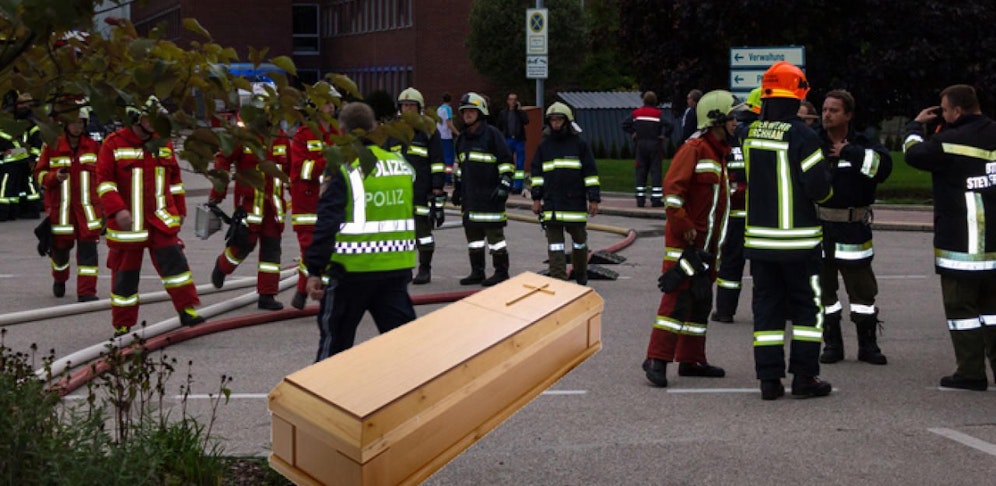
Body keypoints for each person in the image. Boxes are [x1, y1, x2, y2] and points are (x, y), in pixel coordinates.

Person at [743, 61, 834, 400]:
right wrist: (828, 191)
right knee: (807, 310)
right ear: (796, 95)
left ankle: (769, 381)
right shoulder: (803, 136)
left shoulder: (749, 132)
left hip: (760, 242)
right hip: (799, 243)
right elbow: (818, 188)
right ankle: (804, 377)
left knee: (767, 310)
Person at [641, 90, 744, 387]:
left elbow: (720, 200)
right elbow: (672, 193)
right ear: (717, 120)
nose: (736, 122)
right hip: (686, 246)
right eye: (732, 117)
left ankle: (692, 360)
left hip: (709, 247)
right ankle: (656, 360)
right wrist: (684, 226)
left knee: (700, 300)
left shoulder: (720, 154)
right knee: (676, 301)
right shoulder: (694, 149)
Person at [304, 102, 417, 361]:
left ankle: (325, 399)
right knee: (408, 351)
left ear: (342, 131)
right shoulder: (399, 165)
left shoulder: (344, 167)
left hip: (350, 273)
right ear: (374, 128)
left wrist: (315, 270)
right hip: (395, 271)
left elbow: (327, 223)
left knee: (334, 351)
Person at [904, 84, 996, 391]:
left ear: (957, 111)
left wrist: (916, 125)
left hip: (962, 244)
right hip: (994, 244)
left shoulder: (948, 141)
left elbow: (913, 153)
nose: (942, 114)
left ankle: (970, 373)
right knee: (993, 313)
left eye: (944, 110)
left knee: (962, 309)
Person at [96, 96, 204, 335]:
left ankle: (187, 310)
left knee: (176, 267)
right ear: (136, 118)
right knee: (125, 276)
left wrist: (180, 210)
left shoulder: (161, 144)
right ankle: (123, 324)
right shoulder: (113, 144)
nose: (155, 124)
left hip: (160, 220)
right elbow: (104, 182)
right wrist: (117, 210)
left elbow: (174, 180)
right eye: (149, 119)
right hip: (128, 225)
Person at [816, 89, 892, 366]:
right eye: (825, 109)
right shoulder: (813, 143)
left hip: (853, 229)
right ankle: (832, 344)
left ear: (848, 115)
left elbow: (883, 169)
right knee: (824, 293)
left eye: (834, 110)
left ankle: (868, 345)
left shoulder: (864, 144)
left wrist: (849, 151)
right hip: (820, 228)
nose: (827, 114)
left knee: (862, 293)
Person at [208, 115, 290, 310]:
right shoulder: (243, 136)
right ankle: (222, 266)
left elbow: (290, 169)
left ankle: (267, 295)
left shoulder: (280, 137)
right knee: (244, 244)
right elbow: (223, 160)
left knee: (272, 250)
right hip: (249, 205)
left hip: (273, 207)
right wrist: (217, 192)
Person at [33, 102, 103, 301]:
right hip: (61, 213)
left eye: (80, 123)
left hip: (88, 212)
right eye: (73, 122)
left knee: (88, 252)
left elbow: (104, 176)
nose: (77, 126)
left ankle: (87, 292)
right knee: (61, 253)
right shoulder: (53, 146)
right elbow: (39, 174)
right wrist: (54, 177)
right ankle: (60, 278)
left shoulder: (93, 147)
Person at [530, 102, 600, 284]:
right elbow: (537, 174)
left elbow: (590, 173)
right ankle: (559, 281)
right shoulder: (544, 146)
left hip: (574, 203)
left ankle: (580, 272)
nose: (555, 123)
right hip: (552, 204)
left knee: (579, 242)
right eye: (552, 120)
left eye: (559, 119)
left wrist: (593, 199)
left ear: (567, 121)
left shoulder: (579, 145)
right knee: (555, 246)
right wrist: (536, 199)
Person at [451, 92, 515, 287]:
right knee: (474, 240)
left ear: (481, 112)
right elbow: (460, 166)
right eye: (465, 111)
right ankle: (477, 271)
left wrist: (504, 185)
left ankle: (501, 272)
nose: (468, 114)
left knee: (496, 239)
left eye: (472, 111)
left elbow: (506, 162)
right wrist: (457, 188)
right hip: (470, 198)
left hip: (491, 197)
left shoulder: (492, 135)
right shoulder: (462, 138)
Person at [385, 87, 445, 285]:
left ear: (419, 108)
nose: (408, 109)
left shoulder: (428, 131)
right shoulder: (392, 131)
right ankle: (402, 270)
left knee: (423, 234)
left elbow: (437, 162)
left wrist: (437, 189)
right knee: (399, 234)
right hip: (396, 193)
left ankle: (424, 269)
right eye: (404, 105)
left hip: (421, 191)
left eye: (411, 105)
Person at [712, 87, 762, 324]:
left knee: (730, 264)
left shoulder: (732, 136)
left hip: (734, 213)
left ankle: (724, 311)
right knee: (764, 267)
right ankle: (767, 312)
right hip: (762, 215)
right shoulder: (763, 135)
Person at [289, 81, 340, 309]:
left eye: (332, 103)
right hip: (307, 202)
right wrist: (326, 161)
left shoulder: (338, 133)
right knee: (309, 249)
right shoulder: (303, 135)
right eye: (327, 102)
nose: (331, 107)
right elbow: (301, 169)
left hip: (331, 202)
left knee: (331, 248)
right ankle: (304, 290)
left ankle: (314, 290)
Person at [0, 92, 44, 221]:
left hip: (17, 158)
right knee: (20, 186)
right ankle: (18, 210)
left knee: (8, 186)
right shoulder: (18, 119)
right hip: (18, 157)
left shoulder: (30, 122)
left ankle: (6, 212)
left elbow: (34, 143)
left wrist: (32, 158)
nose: (21, 107)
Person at [621, 91, 669, 207]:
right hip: (654, 144)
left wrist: (633, 133)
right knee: (655, 171)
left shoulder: (637, 113)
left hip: (640, 144)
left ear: (644, 100)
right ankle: (656, 199)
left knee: (641, 171)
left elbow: (624, 124)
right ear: (655, 101)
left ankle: (640, 199)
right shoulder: (658, 114)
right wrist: (664, 135)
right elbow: (670, 125)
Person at [496, 92, 530, 194]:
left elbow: (526, 121)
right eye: (511, 99)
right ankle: (508, 183)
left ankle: (518, 185)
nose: (513, 102)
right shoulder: (503, 113)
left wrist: (520, 110)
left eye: (515, 100)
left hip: (519, 140)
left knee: (520, 164)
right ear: (507, 101)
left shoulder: (520, 113)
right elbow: (499, 126)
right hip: (508, 140)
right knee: (508, 164)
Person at [436, 92, 459, 183]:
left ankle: (441, 175)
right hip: (446, 136)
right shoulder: (448, 109)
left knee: (441, 156)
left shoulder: (439, 109)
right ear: (450, 100)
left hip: (439, 134)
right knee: (449, 157)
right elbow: (449, 123)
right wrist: (457, 133)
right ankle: (448, 177)